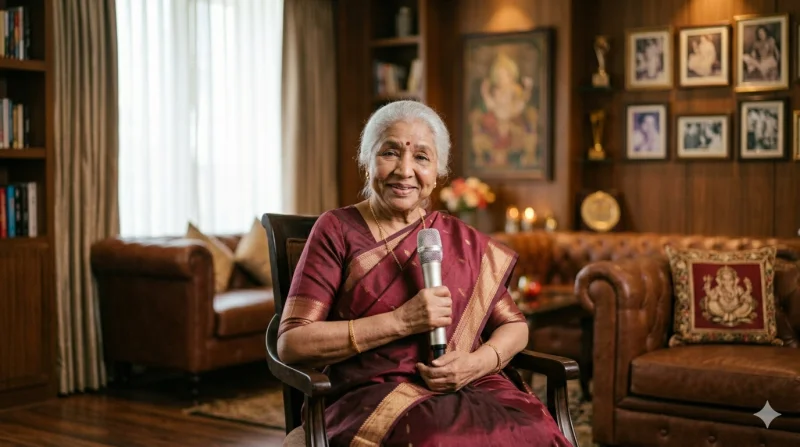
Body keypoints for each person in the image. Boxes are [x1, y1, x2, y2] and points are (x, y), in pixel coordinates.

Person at [278, 100, 571, 447]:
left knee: (533, 428)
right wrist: (402, 321)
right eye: (389, 152)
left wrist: (476, 364)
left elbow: (515, 325)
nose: (405, 171)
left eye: (421, 157)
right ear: (366, 159)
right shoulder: (337, 230)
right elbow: (293, 344)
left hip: (469, 381)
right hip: (374, 393)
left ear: (438, 172)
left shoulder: (457, 238)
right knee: (439, 439)